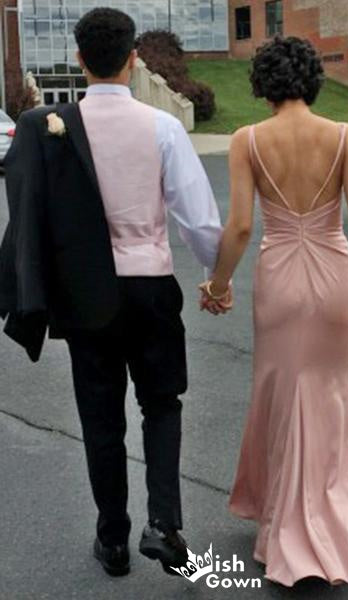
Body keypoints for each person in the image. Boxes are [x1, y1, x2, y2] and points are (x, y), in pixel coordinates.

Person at [0, 8, 222, 578]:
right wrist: (213, 275)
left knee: (101, 420)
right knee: (162, 403)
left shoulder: (55, 127)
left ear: (79, 59)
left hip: (85, 292)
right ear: (132, 58)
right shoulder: (162, 127)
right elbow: (198, 219)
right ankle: (163, 523)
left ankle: (114, 540)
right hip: (150, 287)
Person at [200, 36, 348, 587]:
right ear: (312, 80)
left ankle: (285, 524)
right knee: (332, 396)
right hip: (334, 278)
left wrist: (217, 284)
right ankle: (336, 524)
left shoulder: (247, 140)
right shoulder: (346, 135)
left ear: (263, 84)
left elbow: (240, 225)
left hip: (280, 279)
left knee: (282, 394)